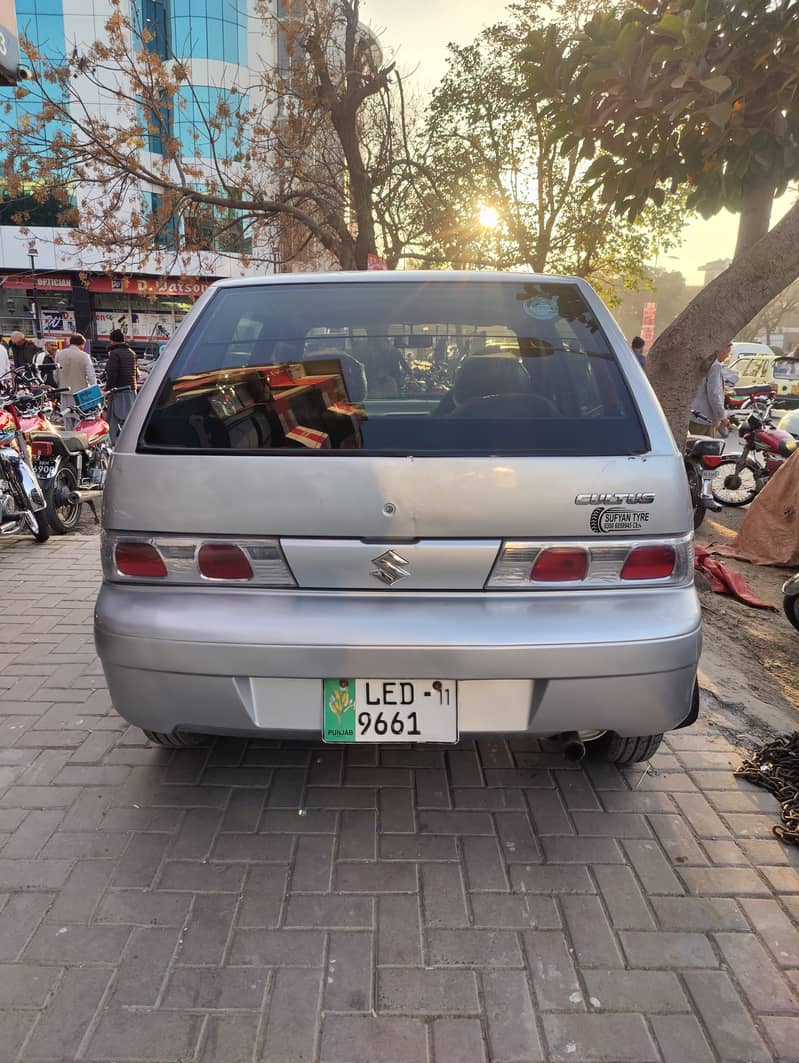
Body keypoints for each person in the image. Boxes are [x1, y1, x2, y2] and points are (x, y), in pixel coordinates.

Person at [689, 342, 732, 437]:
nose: (728, 356)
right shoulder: (715, 366)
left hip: (696, 413)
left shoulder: (707, 362)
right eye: (727, 352)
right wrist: (722, 416)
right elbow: (714, 394)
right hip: (705, 416)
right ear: (721, 351)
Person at [105, 328, 138, 442]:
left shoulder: (114, 353)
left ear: (112, 340)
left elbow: (112, 374)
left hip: (119, 390)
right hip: (131, 389)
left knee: (113, 419)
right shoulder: (131, 352)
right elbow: (136, 372)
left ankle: (113, 443)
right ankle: (130, 441)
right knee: (130, 419)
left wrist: (108, 390)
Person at [58, 332, 97, 429]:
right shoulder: (84, 356)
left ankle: (68, 440)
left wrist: (60, 384)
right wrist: (95, 389)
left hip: (64, 392)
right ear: (82, 344)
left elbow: (56, 374)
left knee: (67, 420)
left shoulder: (59, 355)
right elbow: (91, 375)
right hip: (80, 393)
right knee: (80, 419)